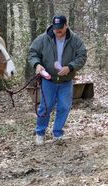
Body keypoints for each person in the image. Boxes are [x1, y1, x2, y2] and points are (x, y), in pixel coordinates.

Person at [28, 15, 87, 145]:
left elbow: (82, 55)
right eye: (56, 28)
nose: (58, 31)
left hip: (66, 81)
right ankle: (40, 133)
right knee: (46, 107)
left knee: (64, 107)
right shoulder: (44, 38)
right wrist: (37, 64)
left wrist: (70, 67)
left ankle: (58, 133)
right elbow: (32, 53)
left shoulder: (75, 40)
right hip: (48, 80)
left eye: (60, 28)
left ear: (66, 25)